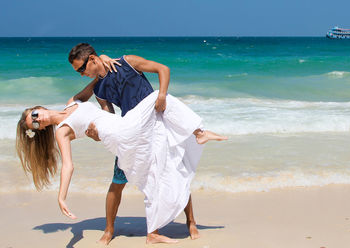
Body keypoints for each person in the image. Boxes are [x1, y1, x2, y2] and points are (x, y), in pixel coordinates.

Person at [16, 91, 227, 244]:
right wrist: (61, 197)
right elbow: (68, 166)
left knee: (157, 168)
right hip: (120, 135)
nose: (38, 120)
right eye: (34, 124)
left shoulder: (73, 102)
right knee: (157, 97)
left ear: (38, 108)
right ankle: (199, 133)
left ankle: (154, 232)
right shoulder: (61, 131)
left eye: (34, 115)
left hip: (124, 126)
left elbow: (97, 80)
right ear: (41, 129)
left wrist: (106, 59)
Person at [68, 43, 200, 244]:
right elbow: (109, 118)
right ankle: (109, 229)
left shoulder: (127, 62)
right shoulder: (99, 90)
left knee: (173, 173)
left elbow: (162, 69)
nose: (81, 74)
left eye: (81, 69)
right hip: (131, 133)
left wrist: (162, 94)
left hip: (156, 125)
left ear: (93, 59)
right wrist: (97, 133)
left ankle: (191, 222)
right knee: (118, 181)